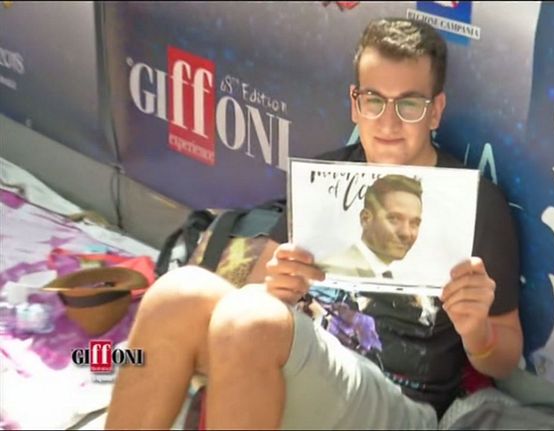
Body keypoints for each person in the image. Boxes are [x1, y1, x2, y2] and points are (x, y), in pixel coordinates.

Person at [105, 17, 522, 429]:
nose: (388, 122)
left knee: (252, 319)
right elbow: (256, 291)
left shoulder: (476, 202)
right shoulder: (325, 177)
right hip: (303, 360)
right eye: (374, 101)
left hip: (399, 403)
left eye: (409, 105)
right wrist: (277, 287)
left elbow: (504, 358)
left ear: (435, 112)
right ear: (355, 105)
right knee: (175, 295)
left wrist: (477, 332)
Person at [317, 174, 423, 279]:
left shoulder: (383, 274)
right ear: (365, 219)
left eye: (414, 223)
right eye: (394, 219)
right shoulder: (335, 272)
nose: (406, 233)